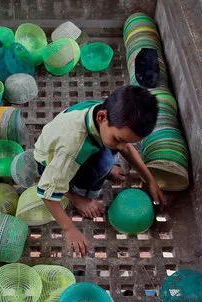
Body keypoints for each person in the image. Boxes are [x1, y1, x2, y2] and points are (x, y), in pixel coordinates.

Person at [33, 85, 166, 257]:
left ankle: (103, 165)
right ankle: (78, 197)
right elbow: (45, 191)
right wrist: (70, 229)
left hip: (71, 149)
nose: (123, 147)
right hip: (49, 163)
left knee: (108, 156)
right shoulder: (72, 147)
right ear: (102, 117)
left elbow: (126, 148)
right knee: (104, 163)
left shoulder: (108, 111)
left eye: (127, 141)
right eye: (119, 139)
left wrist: (151, 181)